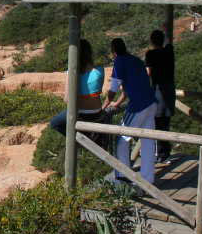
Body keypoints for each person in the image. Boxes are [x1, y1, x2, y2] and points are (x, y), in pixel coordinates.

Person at [103, 38, 158, 185]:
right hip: (151, 102)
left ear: (113, 51)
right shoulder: (135, 60)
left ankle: (122, 176)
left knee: (121, 139)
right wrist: (119, 103)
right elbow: (128, 88)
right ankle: (148, 179)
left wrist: (105, 105)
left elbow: (114, 88)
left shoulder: (119, 61)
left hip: (139, 106)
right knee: (147, 141)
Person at [49, 39, 105, 139]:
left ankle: (82, 138)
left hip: (82, 114)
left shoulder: (72, 73)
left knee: (54, 123)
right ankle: (88, 137)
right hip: (97, 112)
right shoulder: (100, 70)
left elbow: (67, 99)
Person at [145, 28, 176, 164]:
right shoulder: (169, 51)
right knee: (165, 123)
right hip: (169, 91)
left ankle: (159, 154)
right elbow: (169, 42)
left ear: (151, 41)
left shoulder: (150, 54)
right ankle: (165, 153)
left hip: (157, 91)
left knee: (156, 124)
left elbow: (148, 73)